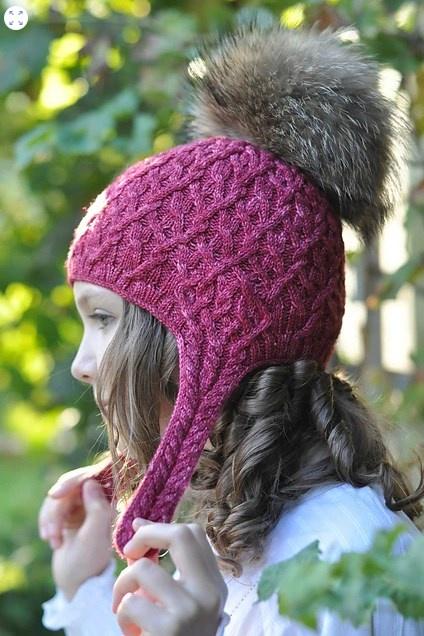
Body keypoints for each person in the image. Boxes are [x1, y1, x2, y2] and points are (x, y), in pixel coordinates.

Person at [38, 20, 424, 636]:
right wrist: (83, 586)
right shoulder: (247, 530)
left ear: (216, 335)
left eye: (105, 318)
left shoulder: (333, 562)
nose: (83, 365)